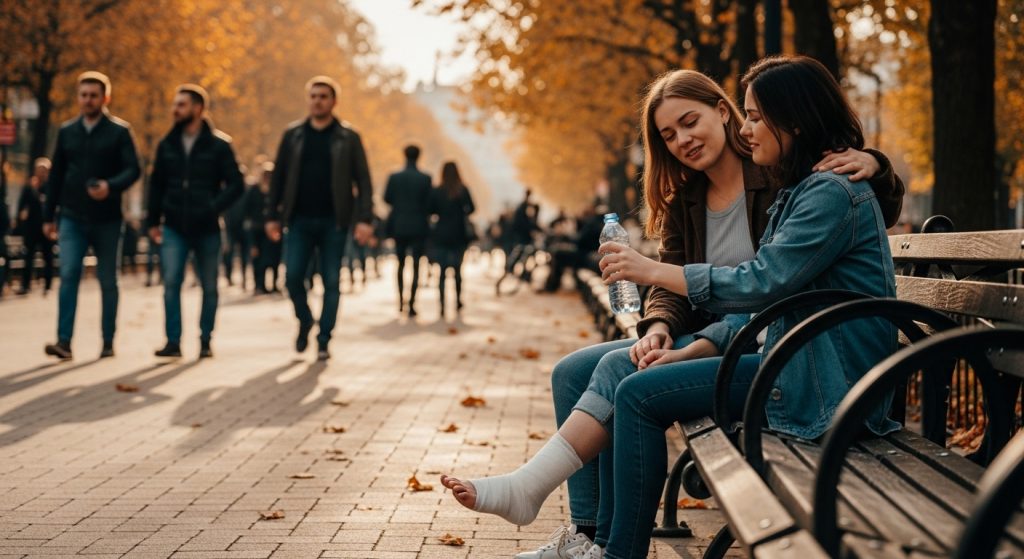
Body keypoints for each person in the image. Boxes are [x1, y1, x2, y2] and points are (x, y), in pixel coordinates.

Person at [441, 58, 906, 559]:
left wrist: (877, 162)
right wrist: (660, 325)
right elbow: (757, 287)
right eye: (668, 134)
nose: (683, 139)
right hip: (768, 343)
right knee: (576, 371)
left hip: (795, 361)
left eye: (693, 121)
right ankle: (587, 537)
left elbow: (768, 280)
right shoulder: (713, 194)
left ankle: (593, 537)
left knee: (631, 384)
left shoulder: (788, 181)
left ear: (723, 113)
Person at [265, 76, 374, 361]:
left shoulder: (348, 137)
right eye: (313, 96)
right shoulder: (293, 135)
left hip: (334, 221)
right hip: (298, 220)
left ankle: (324, 338)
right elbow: (278, 178)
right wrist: (272, 215)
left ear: (334, 101)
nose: (318, 101)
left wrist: (364, 219)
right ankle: (305, 320)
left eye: (323, 96)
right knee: (292, 278)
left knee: (331, 281)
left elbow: (363, 180)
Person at [42, 71, 141, 360]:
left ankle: (108, 341)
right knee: (69, 274)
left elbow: (133, 169)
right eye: (83, 95)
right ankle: (64, 341)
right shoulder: (67, 131)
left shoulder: (120, 132)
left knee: (108, 280)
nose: (87, 100)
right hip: (72, 216)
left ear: (105, 98)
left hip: (108, 218)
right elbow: (56, 176)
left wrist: (110, 186)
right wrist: (49, 217)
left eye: (93, 95)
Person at [147, 84, 244, 359]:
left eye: (181, 104)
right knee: (171, 284)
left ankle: (205, 339)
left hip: (207, 228)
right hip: (174, 225)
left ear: (198, 109)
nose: (174, 109)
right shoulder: (167, 144)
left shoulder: (219, 145)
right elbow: (156, 186)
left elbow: (236, 184)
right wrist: (153, 220)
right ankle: (173, 341)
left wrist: (213, 207)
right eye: (175, 104)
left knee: (210, 286)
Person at [384, 144, 432, 317]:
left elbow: (387, 198)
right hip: (419, 226)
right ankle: (412, 303)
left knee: (400, 264)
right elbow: (429, 204)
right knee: (417, 265)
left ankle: (399, 301)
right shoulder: (425, 178)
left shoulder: (394, 177)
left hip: (399, 225)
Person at [429, 161, 475, 318]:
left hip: (441, 234)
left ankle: (442, 304)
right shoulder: (463, 189)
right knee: (458, 270)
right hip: (459, 234)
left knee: (441, 272)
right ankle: (457, 301)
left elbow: (431, 210)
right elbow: (472, 208)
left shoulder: (437, 190)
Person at [15, 158, 55, 294]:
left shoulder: (52, 186)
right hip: (31, 227)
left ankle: (48, 285)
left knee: (47, 257)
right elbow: (22, 204)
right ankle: (25, 285)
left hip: (47, 225)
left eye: (44, 171)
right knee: (28, 256)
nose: (41, 173)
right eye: (39, 170)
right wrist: (20, 216)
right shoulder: (30, 186)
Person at [222, 169, 252, 288]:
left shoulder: (248, 190)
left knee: (245, 254)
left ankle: (244, 277)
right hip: (230, 226)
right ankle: (228, 276)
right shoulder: (227, 190)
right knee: (229, 253)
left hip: (244, 227)